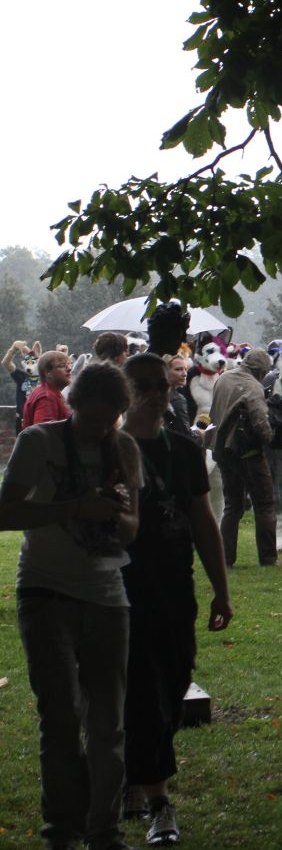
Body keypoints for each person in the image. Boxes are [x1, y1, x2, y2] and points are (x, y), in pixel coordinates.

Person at [0, 362, 142, 850]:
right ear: (73, 404)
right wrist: (75, 507)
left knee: (109, 722)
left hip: (106, 596)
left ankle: (103, 830)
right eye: (93, 419)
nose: (102, 429)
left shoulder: (123, 449)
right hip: (45, 590)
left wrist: (119, 511)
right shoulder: (38, 441)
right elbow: (5, 511)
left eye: (111, 420)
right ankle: (61, 829)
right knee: (60, 716)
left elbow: (131, 532)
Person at [119, 354, 233, 846]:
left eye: (161, 386)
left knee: (175, 677)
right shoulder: (105, 449)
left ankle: (133, 771)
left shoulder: (183, 451)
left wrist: (221, 590)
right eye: (141, 386)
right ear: (123, 391)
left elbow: (202, 521)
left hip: (173, 584)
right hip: (118, 587)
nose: (154, 395)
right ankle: (157, 799)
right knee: (141, 686)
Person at [204, 347, 278, 567]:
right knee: (264, 504)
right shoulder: (253, 386)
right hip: (247, 452)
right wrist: (272, 438)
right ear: (262, 370)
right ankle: (268, 557)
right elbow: (260, 422)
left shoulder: (223, 378)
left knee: (232, 505)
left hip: (222, 449)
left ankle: (226, 558)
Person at [23, 350, 74, 428]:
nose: (69, 369)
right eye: (62, 365)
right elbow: (44, 433)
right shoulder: (47, 397)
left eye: (69, 365)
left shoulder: (47, 392)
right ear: (47, 372)